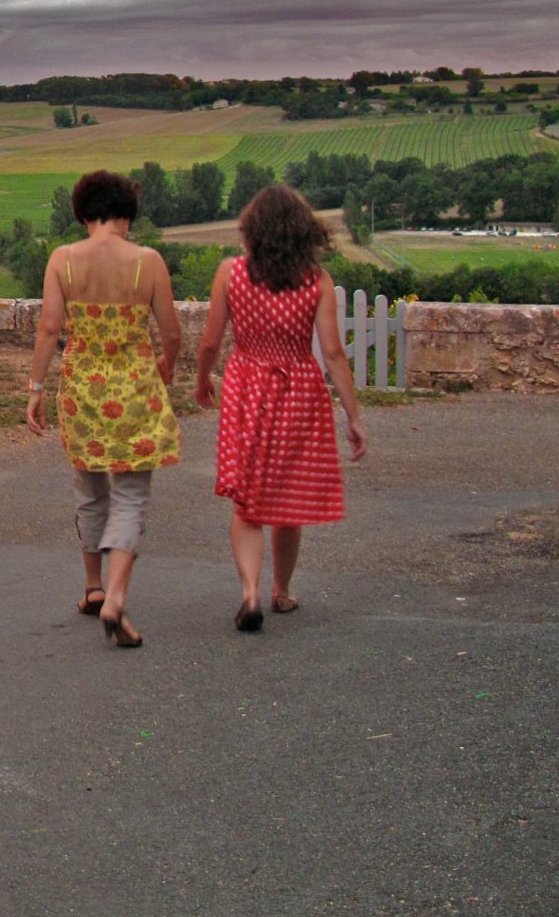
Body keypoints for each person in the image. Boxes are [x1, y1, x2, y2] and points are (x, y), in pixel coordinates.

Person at [194, 183, 368, 632]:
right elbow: (333, 352)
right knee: (288, 496)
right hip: (299, 391)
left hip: (246, 387)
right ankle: (281, 591)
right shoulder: (316, 281)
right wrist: (353, 417)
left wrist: (202, 380)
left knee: (247, 498)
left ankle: (250, 592)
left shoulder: (230, 273)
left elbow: (211, 340)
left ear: (252, 228)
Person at [25, 171, 182, 648]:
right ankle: (115, 598)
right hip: (135, 390)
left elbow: (49, 328)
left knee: (90, 490)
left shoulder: (63, 260)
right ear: (125, 215)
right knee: (130, 496)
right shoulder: (147, 262)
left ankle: (93, 586)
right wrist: (167, 366)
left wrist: (35, 388)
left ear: (83, 213)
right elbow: (172, 332)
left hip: (83, 391)